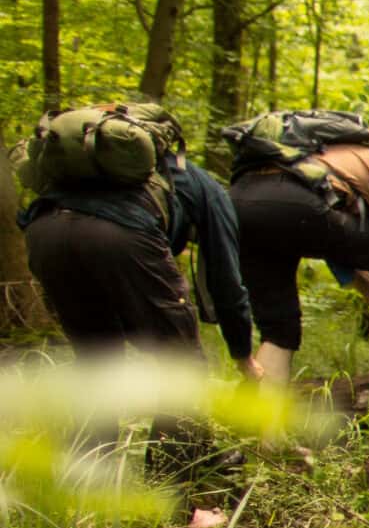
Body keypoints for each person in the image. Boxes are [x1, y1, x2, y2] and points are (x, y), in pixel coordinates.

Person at [16, 104, 261, 378]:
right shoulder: (204, 185)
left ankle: (95, 422)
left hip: (45, 231)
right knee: (182, 362)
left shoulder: (76, 171)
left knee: (97, 358)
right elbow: (225, 278)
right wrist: (244, 355)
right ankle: (179, 423)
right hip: (119, 236)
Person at [229, 134, 369, 383]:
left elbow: (360, 280)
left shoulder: (337, 178)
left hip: (240, 201)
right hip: (291, 199)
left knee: (279, 331)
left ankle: (259, 418)